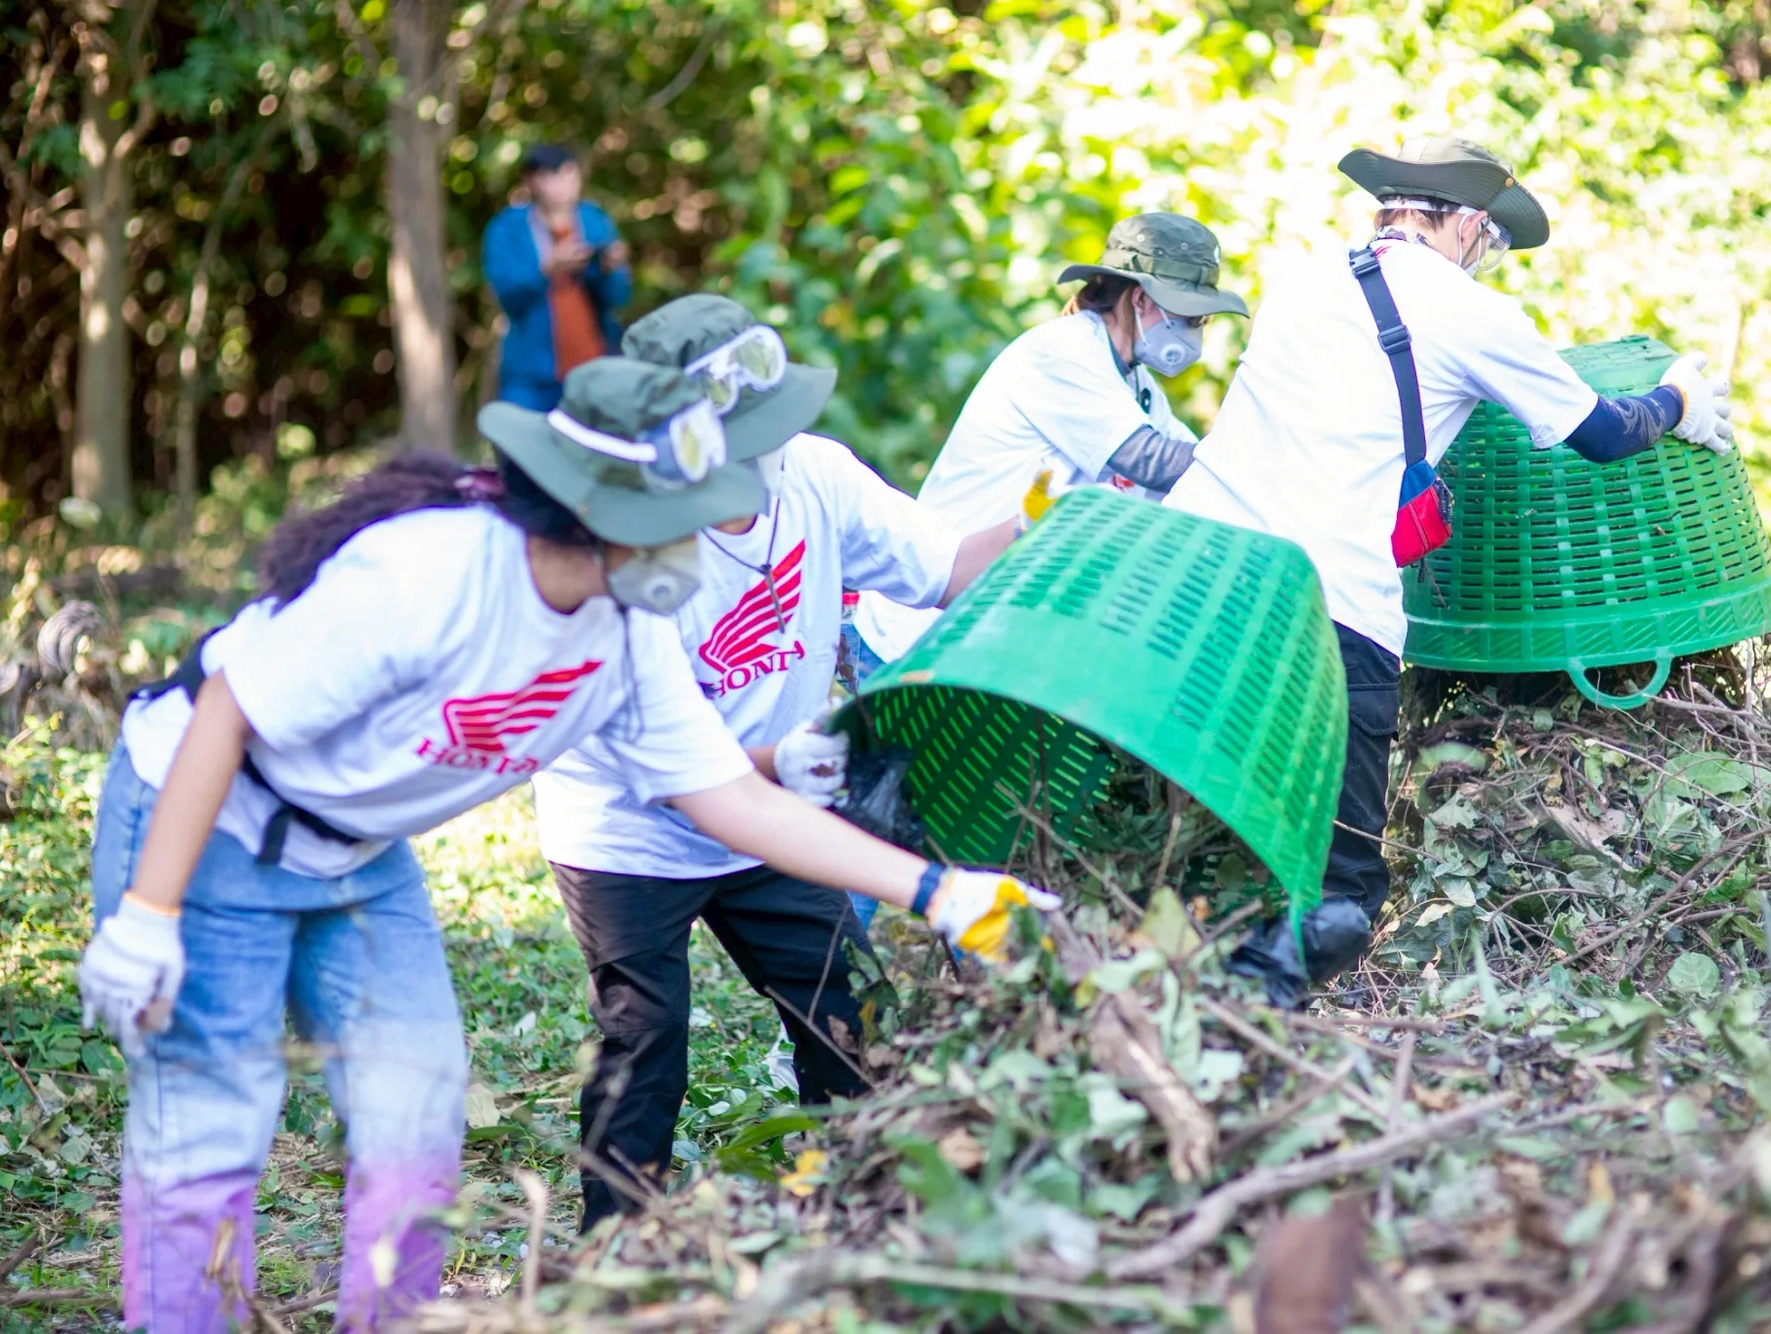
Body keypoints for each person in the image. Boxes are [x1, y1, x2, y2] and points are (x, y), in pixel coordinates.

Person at [75, 357, 1059, 1334]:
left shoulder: (628, 629)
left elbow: (729, 798)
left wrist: (939, 891)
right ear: (611, 513)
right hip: (208, 816)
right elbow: (228, 705)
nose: (715, 530)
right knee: (214, 1123)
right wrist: (150, 914)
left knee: (418, 1110)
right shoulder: (433, 572)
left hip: (357, 848)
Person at [1164, 136, 1736, 995]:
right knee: (1342, 887)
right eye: (1493, 245)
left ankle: (1176, 997)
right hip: (1324, 600)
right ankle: (1282, 1050)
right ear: (1468, 224)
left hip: (1196, 570)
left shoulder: (1306, 281)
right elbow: (1604, 433)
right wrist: (1679, 399)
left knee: (1209, 831)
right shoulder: (1470, 312)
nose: (1490, 262)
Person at [529, 296, 1026, 1229]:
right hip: (628, 831)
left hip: (772, 814)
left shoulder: (817, 476)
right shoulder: (632, 556)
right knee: (645, 1042)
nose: (770, 453)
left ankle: (861, 1206)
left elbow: (949, 565)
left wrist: (1046, 516)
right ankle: (611, 1253)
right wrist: (792, 762)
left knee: (852, 1012)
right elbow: (687, 779)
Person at [851, 212, 1247, 671]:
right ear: (1140, 299)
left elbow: (1198, 471)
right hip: (917, 635)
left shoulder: (1135, 386)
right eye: (1189, 315)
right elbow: (1155, 462)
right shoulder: (1065, 353)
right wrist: (1254, 456)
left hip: (989, 643)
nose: (1196, 330)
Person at [482, 143, 634, 410]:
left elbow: (618, 297)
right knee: (521, 445)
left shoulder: (594, 219)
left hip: (593, 361)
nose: (564, 185)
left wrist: (610, 270)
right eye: (553, 176)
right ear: (532, 181)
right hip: (532, 371)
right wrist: (548, 269)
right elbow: (507, 296)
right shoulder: (508, 228)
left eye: (569, 174)